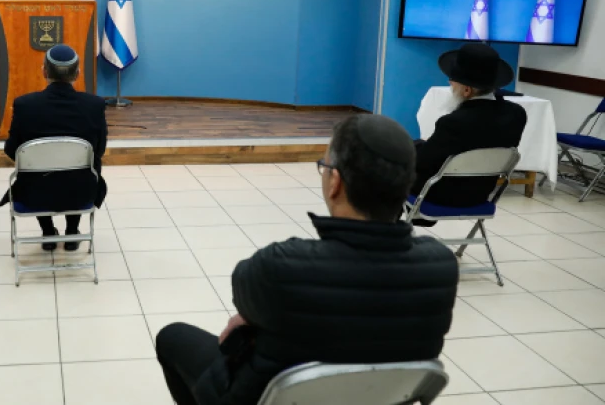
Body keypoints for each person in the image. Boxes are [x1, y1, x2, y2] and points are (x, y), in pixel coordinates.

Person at [155, 115, 459, 405]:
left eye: (323, 166)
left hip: (260, 395)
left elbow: (243, 299)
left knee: (172, 337)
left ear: (334, 183)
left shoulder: (281, 265)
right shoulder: (442, 266)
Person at [0, 44, 107, 251]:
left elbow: (11, 150)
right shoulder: (94, 105)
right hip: (82, 192)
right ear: (78, 72)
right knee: (79, 173)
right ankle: (72, 232)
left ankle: (48, 231)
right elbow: (98, 150)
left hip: (33, 193)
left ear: (44, 71)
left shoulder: (24, 105)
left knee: (37, 174)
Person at [412, 43, 527, 224]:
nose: (450, 82)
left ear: (467, 90)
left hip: (441, 195)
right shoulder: (517, 114)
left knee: (381, 171)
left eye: (452, 80)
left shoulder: (454, 122)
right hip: (480, 195)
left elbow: (423, 163)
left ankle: (384, 237)